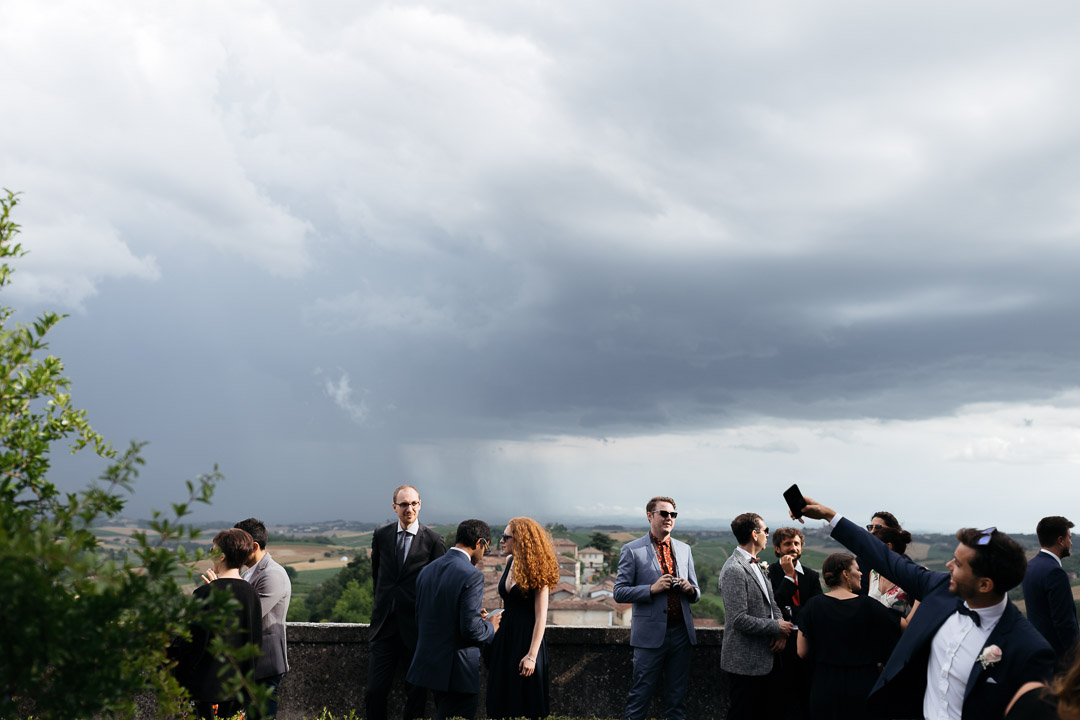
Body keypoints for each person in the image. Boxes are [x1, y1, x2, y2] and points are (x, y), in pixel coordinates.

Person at [796, 494, 1055, 720]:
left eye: (959, 564)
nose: (949, 566)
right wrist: (830, 515)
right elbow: (883, 557)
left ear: (985, 584)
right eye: (952, 558)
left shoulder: (1029, 650)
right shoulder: (938, 588)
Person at [613, 496, 701, 720]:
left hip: (681, 633)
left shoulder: (684, 549)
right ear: (650, 516)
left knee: (677, 699)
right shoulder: (632, 550)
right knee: (640, 697)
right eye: (664, 513)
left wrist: (691, 590)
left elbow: (696, 591)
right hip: (649, 637)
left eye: (673, 514)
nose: (669, 518)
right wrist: (651, 589)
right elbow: (619, 592)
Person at [366, 485, 447, 720]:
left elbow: (438, 588)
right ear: (395, 508)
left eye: (413, 503)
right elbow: (377, 575)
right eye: (403, 505)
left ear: (420, 505)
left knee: (416, 694)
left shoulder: (433, 541)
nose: (409, 509)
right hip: (384, 628)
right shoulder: (381, 536)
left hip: (416, 629)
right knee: (374, 691)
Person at [406, 519, 496, 720]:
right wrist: (491, 627)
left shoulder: (427, 570)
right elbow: (471, 630)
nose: (483, 556)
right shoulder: (472, 575)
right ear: (479, 542)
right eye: (486, 549)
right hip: (458, 672)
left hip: (430, 667)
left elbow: (424, 615)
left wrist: (473, 616)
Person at [796, 552, 902, 719]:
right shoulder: (868, 605)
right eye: (857, 569)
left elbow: (801, 651)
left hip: (824, 685)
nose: (860, 573)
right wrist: (920, 599)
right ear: (845, 574)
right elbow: (905, 626)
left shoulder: (812, 606)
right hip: (862, 684)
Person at [173, 528, 263, 720]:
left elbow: (191, 645)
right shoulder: (251, 594)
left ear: (221, 556)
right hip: (237, 692)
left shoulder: (204, 594)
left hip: (203, 692)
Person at [718, 512, 795, 720]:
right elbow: (738, 619)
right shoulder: (734, 569)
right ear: (754, 534)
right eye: (766, 530)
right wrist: (776, 628)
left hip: (766, 657)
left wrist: (781, 628)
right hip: (745, 661)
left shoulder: (759, 564)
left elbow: (772, 603)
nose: (768, 535)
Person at [486, 517, 560, 720]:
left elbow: (541, 617)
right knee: (500, 700)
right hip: (505, 639)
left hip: (526, 640)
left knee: (525, 703)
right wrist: (493, 616)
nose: (501, 541)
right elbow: (510, 604)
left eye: (505, 537)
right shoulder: (510, 562)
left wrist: (532, 656)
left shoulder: (539, 570)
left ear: (521, 540)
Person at [234, 518, 292, 719]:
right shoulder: (248, 572)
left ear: (255, 546)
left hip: (265, 664)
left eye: (238, 544)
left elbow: (248, 616)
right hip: (250, 664)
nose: (234, 550)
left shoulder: (272, 574)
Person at [766, 527, 823, 720]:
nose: (793, 547)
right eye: (787, 544)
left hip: (807, 640)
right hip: (779, 643)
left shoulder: (812, 576)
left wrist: (791, 611)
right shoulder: (768, 573)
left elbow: (816, 610)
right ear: (777, 548)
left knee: (807, 694)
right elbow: (771, 605)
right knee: (781, 697)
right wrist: (788, 576)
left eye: (796, 543)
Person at [1023, 515, 1079, 668]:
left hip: (1037, 651)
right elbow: (1064, 622)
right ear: (1060, 540)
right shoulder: (1055, 572)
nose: (1071, 542)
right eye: (1069, 538)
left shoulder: (1031, 566)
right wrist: (1076, 657)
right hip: (1059, 658)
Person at [868, 524, 919, 625]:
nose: (870, 550)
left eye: (873, 546)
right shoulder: (873, 573)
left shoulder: (911, 575)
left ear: (888, 547)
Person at [857, 510, 901, 595]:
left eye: (878, 527)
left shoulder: (902, 562)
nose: (872, 531)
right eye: (870, 527)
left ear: (891, 531)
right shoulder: (861, 561)